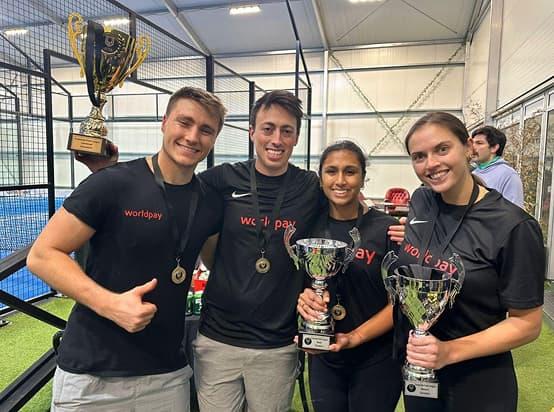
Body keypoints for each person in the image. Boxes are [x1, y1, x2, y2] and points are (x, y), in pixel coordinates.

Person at [194, 91, 406, 412]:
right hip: (217, 338)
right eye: (267, 128)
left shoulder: (309, 187)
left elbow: (348, 201)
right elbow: (176, 188)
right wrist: (106, 168)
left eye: (286, 130)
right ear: (252, 132)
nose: (276, 139)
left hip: (277, 343)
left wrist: (406, 230)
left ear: (296, 138)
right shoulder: (222, 179)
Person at [26, 87, 227, 411]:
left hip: (167, 375)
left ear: (215, 137)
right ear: (164, 122)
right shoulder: (112, 183)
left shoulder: (210, 203)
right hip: (92, 374)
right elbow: (42, 255)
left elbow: (221, 263)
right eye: (184, 122)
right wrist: (111, 305)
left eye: (206, 130)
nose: (192, 136)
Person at [397, 112, 544, 411]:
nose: (431, 164)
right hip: (421, 375)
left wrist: (448, 352)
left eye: (442, 149)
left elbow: (527, 324)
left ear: (467, 147)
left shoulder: (512, 226)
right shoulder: (421, 201)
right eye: (419, 156)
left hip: (479, 383)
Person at [296, 141, 402, 412]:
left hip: (377, 356)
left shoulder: (387, 229)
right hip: (324, 355)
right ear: (321, 178)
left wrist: (354, 336)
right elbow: (300, 286)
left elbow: (399, 303)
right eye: (331, 171)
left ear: (363, 178)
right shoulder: (308, 226)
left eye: (350, 171)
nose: (340, 180)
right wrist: (305, 304)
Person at [471, 125, 524, 207]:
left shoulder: (508, 175)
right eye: (472, 143)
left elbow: (514, 212)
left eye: (479, 143)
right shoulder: (473, 173)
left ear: (494, 148)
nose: (472, 147)